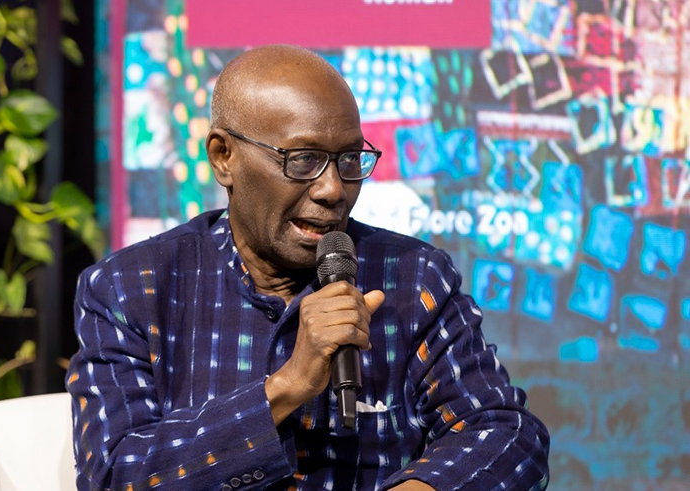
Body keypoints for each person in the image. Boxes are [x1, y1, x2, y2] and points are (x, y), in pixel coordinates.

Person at [66, 45, 550, 491]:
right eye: (304, 160)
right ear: (223, 157)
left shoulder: (412, 278)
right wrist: (285, 387)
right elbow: (114, 474)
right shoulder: (129, 289)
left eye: (349, 159)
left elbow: (509, 435)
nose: (333, 189)